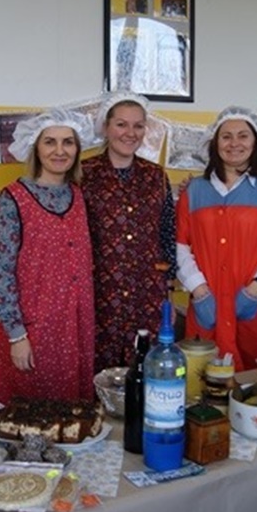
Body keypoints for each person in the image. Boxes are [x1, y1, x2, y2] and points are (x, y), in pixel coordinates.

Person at [176, 106, 257, 370]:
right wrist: (198, 289)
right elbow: (179, 246)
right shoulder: (194, 191)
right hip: (206, 304)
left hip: (253, 304)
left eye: (243, 136)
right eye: (226, 136)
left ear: (255, 143)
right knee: (202, 379)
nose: (234, 143)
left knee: (253, 382)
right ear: (215, 143)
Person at [0, 109, 97, 403]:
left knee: (73, 411)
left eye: (68, 142)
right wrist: (16, 335)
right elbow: (2, 272)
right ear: (35, 148)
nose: (60, 151)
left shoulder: (78, 196)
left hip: (76, 325)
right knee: (32, 410)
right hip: (34, 327)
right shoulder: (13, 198)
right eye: (50, 142)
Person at [81, 92, 176, 370]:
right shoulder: (83, 174)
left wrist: (168, 288)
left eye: (138, 126)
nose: (130, 133)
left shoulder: (156, 176)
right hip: (100, 293)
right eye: (121, 124)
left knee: (147, 367)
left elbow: (168, 232)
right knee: (100, 371)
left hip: (146, 293)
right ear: (106, 127)